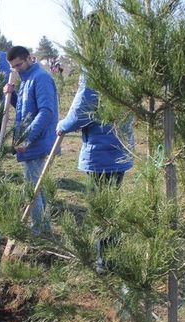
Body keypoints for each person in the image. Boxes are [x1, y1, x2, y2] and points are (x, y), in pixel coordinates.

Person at [56, 73, 134, 271]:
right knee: (111, 204)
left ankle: (106, 263)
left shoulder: (94, 69)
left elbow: (81, 111)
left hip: (101, 152)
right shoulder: (124, 70)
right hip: (120, 148)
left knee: (101, 208)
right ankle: (112, 257)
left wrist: (63, 125)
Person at [3, 46, 58, 235]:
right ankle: (44, 230)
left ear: (28, 59)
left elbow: (46, 112)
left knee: (32, 189)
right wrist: (12, 96)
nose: (16, 69)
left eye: (19, 64)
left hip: (38, 143)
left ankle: (38, 232)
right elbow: (26, 109)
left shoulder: (40, 78)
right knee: (37, 188)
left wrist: (27, 138)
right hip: (30, 143)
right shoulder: (27, 80)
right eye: (13, 67)